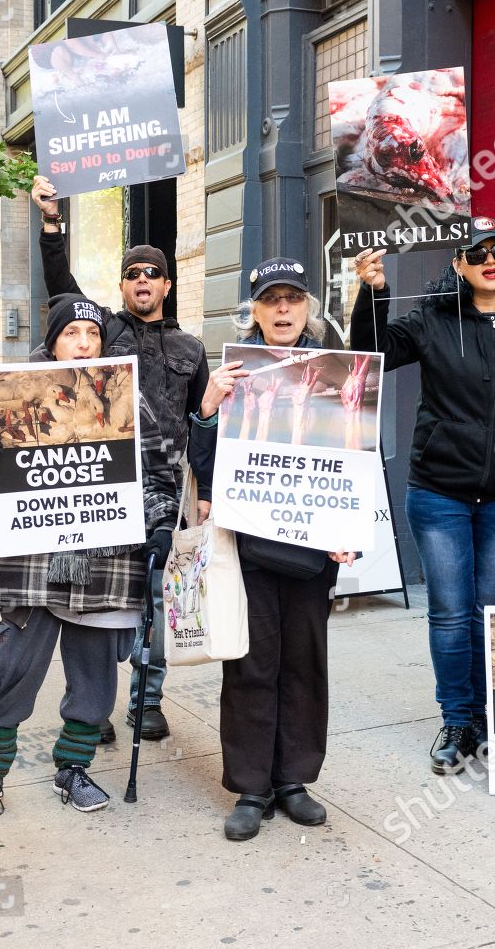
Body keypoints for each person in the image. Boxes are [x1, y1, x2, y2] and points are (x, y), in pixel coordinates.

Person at [349, 217, 495, 774]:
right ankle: (459, 720)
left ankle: (489, 715)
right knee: (450, 614)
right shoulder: (433, 320)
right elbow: (373, 353)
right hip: (440, 492)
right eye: (477, 253)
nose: (489, 259)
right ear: (459, 265)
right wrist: (372, 293)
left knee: (488, 612)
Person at [0, 293, 177, 823]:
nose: (83, 344)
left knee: (96, 675)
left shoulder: (127, 400)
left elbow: (158, 476)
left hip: (106, 563)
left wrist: (161, 523)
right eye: (71, 335)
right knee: (12, 667)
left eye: (93, 335)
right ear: (52, 342)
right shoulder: (14, 399)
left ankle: (73, 767)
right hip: (35, 563)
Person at [32, 175, 212, 741]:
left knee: (159, 599)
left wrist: (204, 490)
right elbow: (62, 290)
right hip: (103, 483)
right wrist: (52, 223)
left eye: (151, 273)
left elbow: (205, 420)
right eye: (132, 273)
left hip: (167, 491)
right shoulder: (105, 333)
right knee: (94, 601)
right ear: (122, 285)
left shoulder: (191, 348)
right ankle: (93, 706)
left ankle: (147, 699)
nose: (141, 280)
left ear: (166, 284)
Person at [191, 259, 360, 840]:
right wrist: (209, 408)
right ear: (256, 311)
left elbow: (355, 454)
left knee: (305, 663)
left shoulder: (339, 373)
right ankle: (251, 787)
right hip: (251, 545)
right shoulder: (235, 372)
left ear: (307, 306)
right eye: (271, 300)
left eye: (292, 299)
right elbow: (203, 457)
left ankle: (294, 780)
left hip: (314, 548)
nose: (283, 310)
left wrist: (351, 529)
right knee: (251, 664)